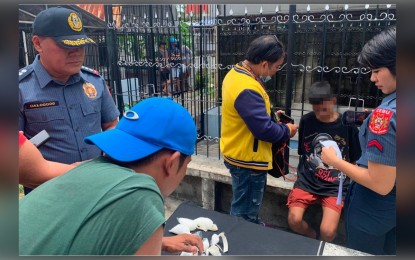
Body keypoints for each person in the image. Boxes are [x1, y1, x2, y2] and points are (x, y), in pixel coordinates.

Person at [19, 97, 204, 255]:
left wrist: (158, 241)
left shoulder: (84, 170)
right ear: (172, 163)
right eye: (186, 165)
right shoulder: (141, 195)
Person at [18, 7, 120, 194]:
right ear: (38, 43)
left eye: (80, 45)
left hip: (97, 186)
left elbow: (111, 123)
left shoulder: (94, 81)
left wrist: (108, 153)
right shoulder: (19, 89)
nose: (76, 52)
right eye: (66, 46)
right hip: (49, 193)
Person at [321, 26, 396, 255]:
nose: (372, 78)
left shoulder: (385, 116)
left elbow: (380, 183)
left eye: (377, 70)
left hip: (373, 210)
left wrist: (334, 160)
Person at [220, 35, 299, 224]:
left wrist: (271, 116)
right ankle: (241, 243)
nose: (276, 71)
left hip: (238, 152)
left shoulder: (236, 73)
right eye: (276, 66)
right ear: (264, 64)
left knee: (244, 206)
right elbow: (264, 130)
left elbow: (249, 114)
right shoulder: (247, 87)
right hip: (248, 161)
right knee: (244, 214)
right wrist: (287, 130)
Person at [286, 81, 361, 242]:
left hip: (335, 186)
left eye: (324, 109)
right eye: (316, 109)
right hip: (307, 181)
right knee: (294, 220)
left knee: (327, 232)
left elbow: (354, 158)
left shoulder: (348, 125)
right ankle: (311, 237)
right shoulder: (307, 121)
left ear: (333, 101)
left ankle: (322, 248)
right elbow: (303, 152)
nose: (319, 114)